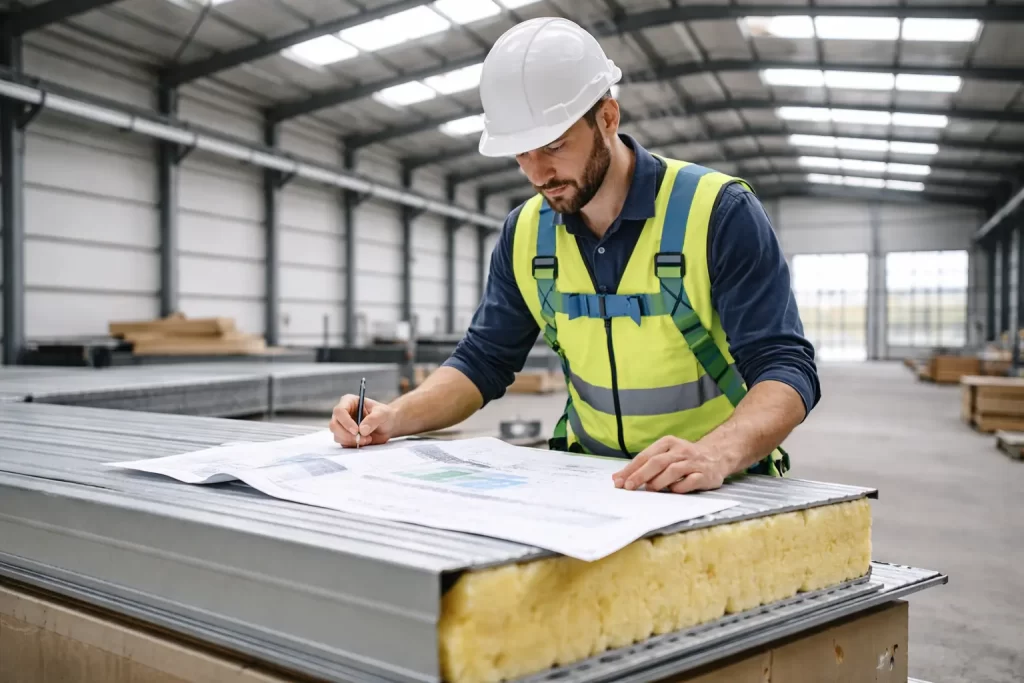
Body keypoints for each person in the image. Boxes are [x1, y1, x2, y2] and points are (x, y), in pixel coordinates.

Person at [330, 17, 819, 494]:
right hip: (594, 486)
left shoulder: (717, 212)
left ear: (607, 118)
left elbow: (784, 366)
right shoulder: (525, 233)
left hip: (716, 486)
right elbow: (482, 361)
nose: (537, 173)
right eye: (521, 153)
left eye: (554, 146)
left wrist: (717, 453)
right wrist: (393, 417)